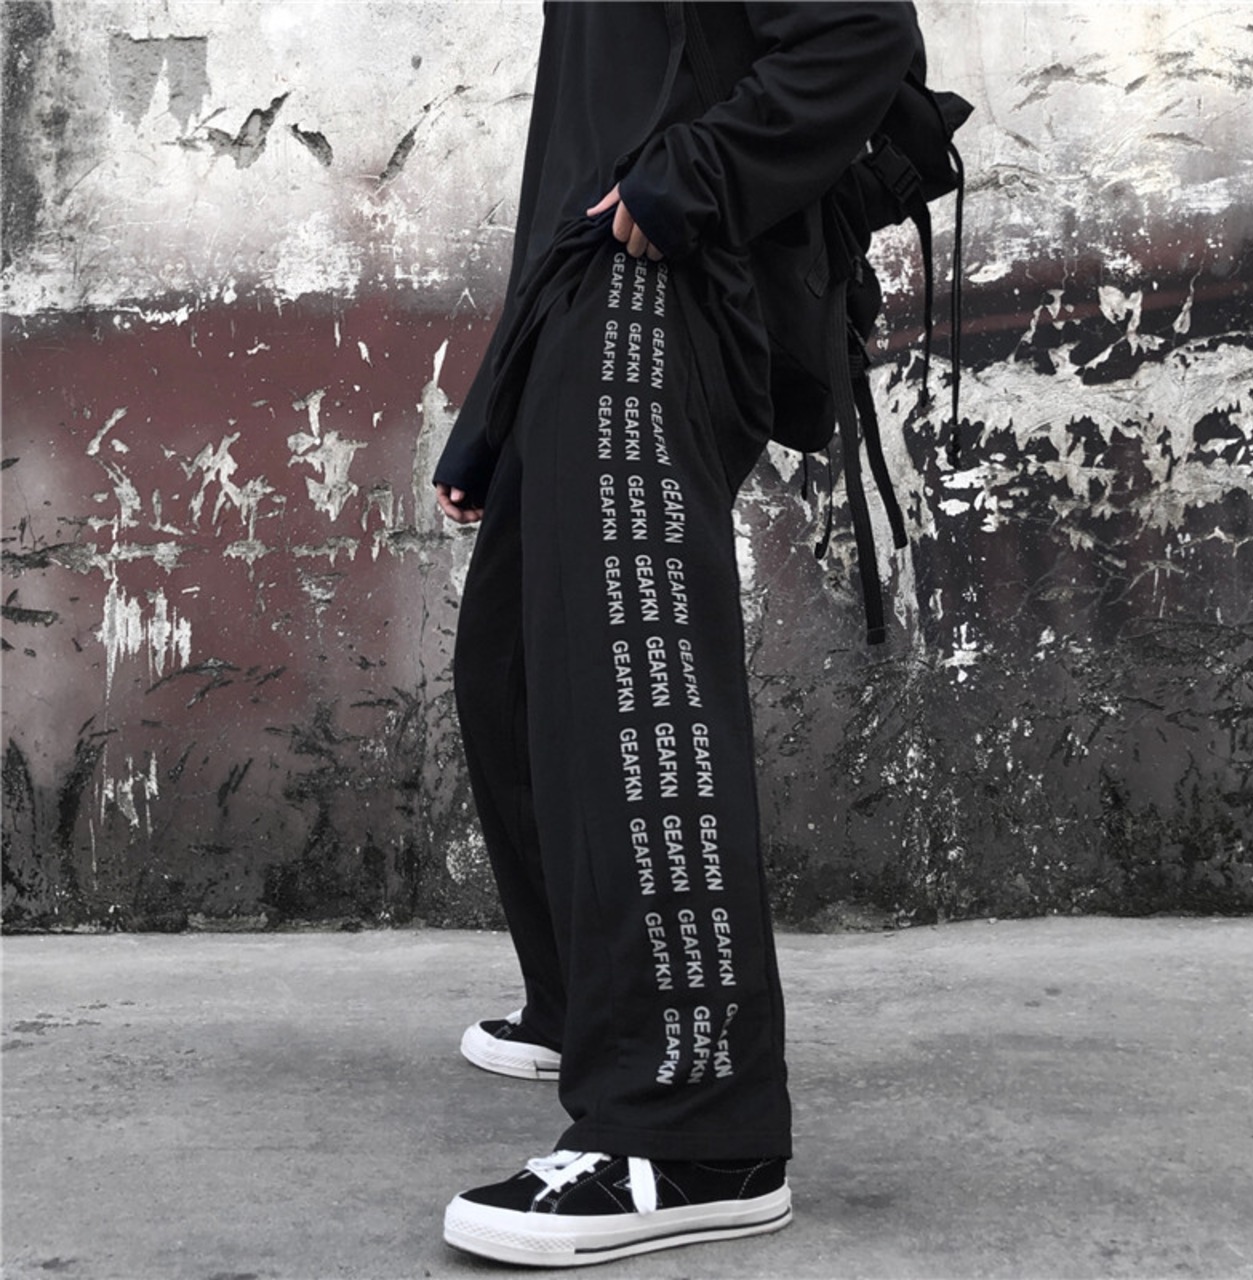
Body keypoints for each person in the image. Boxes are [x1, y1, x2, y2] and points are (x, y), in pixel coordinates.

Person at [433, 2, 920, 1267]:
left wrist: (691, 178)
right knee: (508, 670)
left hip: (667, 284)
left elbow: (859, 33)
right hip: (583, 293)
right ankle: (585, 1001)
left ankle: (694, 1126)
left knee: (630, 691)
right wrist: (498, 402)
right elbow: (578, 142)